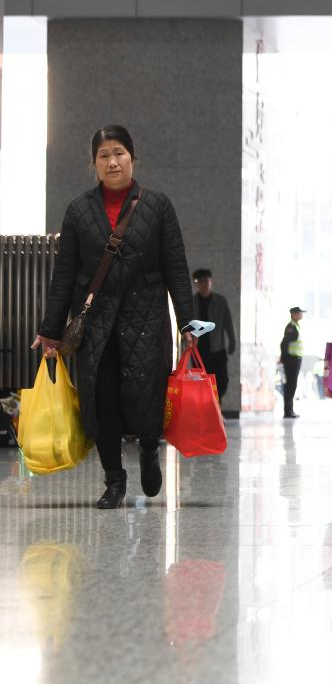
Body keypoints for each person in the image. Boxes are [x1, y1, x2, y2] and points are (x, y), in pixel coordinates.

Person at [33, 125, 195, 509]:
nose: (112, 162)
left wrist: (188, 323)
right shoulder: (78, 211)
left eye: (119, 153)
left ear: (133, 158)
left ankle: (150, 449)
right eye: (103, 155)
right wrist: (51, 331)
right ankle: (114, 480)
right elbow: (64, 275)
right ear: (94, 164)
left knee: (148, 394)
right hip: (96, 323)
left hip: (147, 317)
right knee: (101, 398)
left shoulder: (157, 206)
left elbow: (176, 268)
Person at [191, 269, 236, 401]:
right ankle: (207, 407)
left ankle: (216, 403)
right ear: (196, 284)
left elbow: (228, 323)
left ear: (211, 282)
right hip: (198, 351)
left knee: (222, 381)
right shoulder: (192, 303)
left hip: (217, 350)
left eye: (206, 281)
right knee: (201, 382)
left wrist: (232, 342)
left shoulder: (220, 301)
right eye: (200, 282)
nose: (204, 284)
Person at [280, 307, 306, 419]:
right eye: (299, 313)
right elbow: (284, 343)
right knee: (290, 385)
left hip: (295, 359)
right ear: (294, 314)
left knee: (292, 385)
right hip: (291, 359)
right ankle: (288, 411)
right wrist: (283, 358)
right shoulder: (291, 327)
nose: (301, 314)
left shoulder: (295, 326)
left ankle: (290, 410)